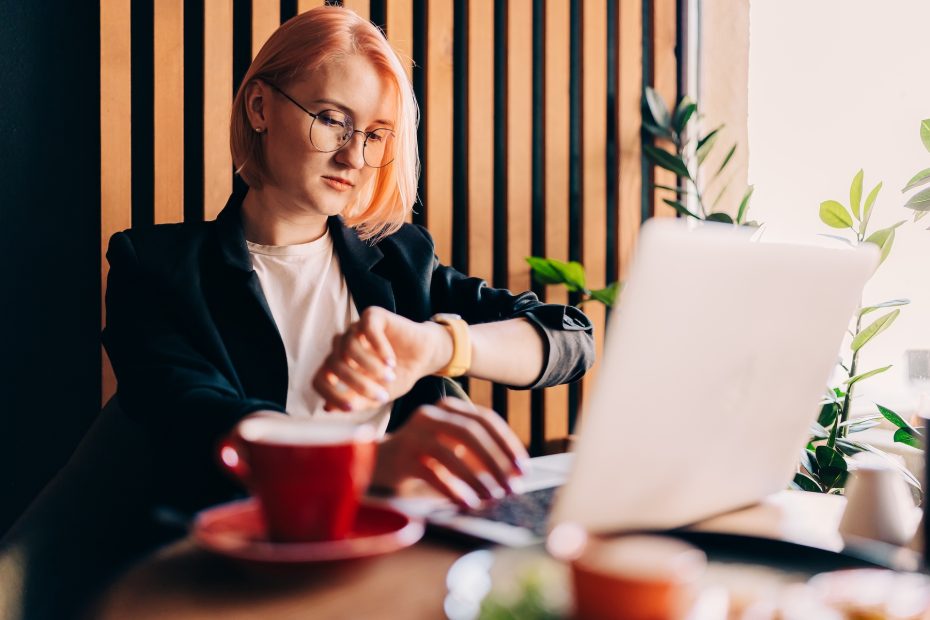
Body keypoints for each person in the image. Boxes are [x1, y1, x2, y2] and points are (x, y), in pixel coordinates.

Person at [102, 5, 593, 513]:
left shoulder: (402, 258)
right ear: (259, 107)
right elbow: (196, 419)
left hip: (398, 540)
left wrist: (436, 346)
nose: (354, 158)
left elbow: (571, 338)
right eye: (333, 120)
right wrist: (369, 461)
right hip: (237, 546)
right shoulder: (154, 268)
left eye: (375, 135)